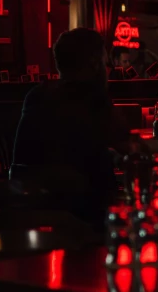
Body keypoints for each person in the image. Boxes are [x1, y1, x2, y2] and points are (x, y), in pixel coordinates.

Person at [12, 28, 130, 224]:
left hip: (31, 212)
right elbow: (127, 145)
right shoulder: (93, 99)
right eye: (104, 61)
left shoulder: (36, 95)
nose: (107, 67)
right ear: (94, 64)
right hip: (84, 218)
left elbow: (63, 150)